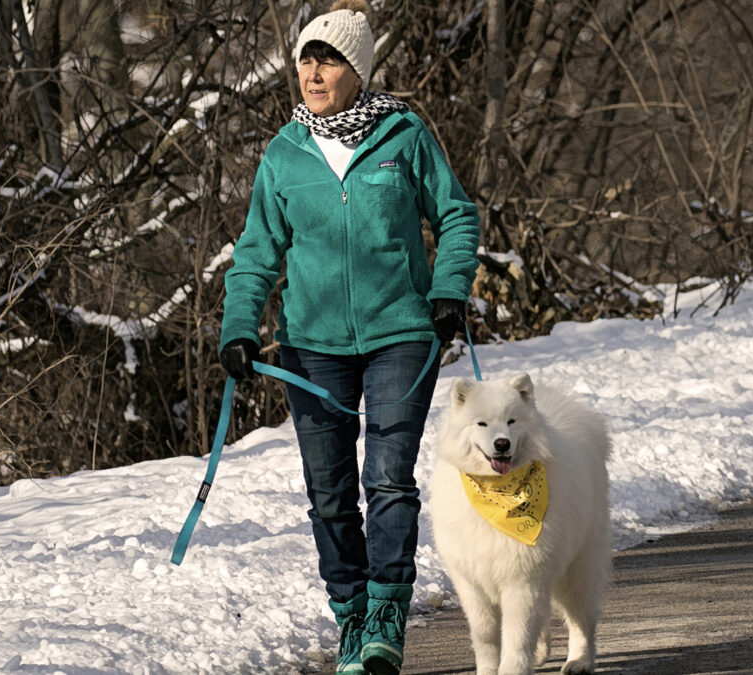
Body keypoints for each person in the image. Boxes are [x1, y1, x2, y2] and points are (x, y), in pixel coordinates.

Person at [218, 1, 480, 673]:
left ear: (357, 69)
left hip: (401, 333)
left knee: (389, 477)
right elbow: (255, 254)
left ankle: (388, 611)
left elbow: (456, 216)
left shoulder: (404, 136)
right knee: (329, 490)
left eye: (328, 59)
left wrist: (449, 290)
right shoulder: (284, 153)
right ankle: (351, 616)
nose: (313, 70)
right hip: (311, 346)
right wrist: (240, 330)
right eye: (306, 57)